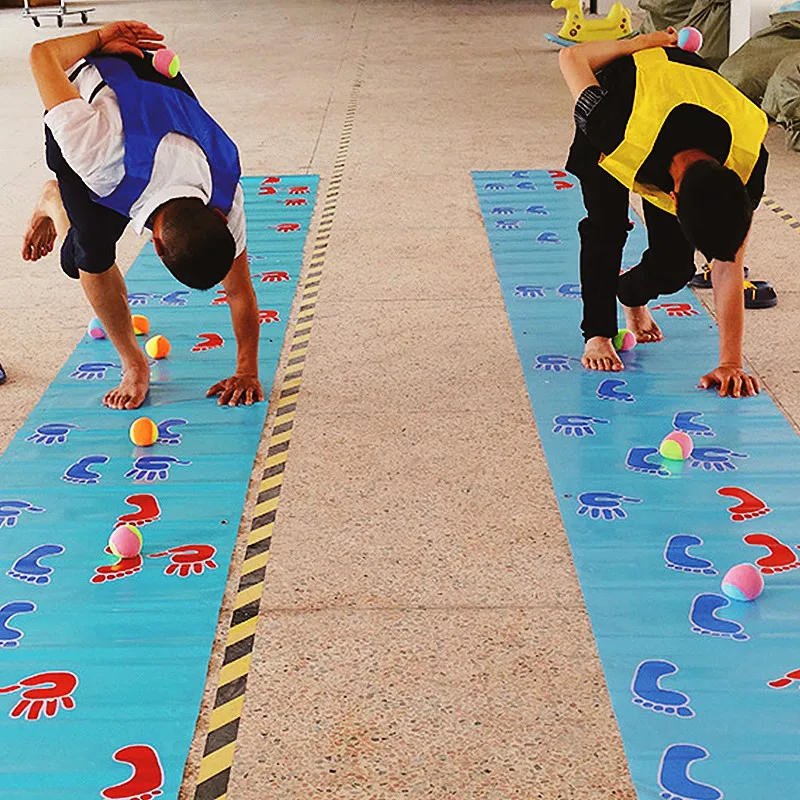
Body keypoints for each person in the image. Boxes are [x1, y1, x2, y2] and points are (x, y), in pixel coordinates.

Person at [23, 20, 262, 410]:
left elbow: (239, 292)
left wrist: (247, 371)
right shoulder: (101, 157)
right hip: (89, 90)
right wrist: (98, 39)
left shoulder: (225, 188)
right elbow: (41, 55)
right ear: (156, 246)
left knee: (89, 250)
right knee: (86, 256)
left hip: (151, 95)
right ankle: (133, 363)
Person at [558, 28, 768, 398]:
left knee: (675, 268)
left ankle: (631, 294)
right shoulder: (613, 123)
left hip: (684, 101)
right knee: (606, 228)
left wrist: (731, 362)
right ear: (672, 198)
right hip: (625, 94)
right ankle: (597, 332)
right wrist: (635, 44)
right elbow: (572, 58)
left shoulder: (748, 157)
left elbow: (728, 265)